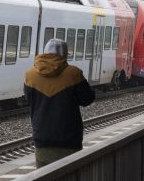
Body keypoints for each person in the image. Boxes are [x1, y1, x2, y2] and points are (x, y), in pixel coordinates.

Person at [24, 38, 95, 167]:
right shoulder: (74, 74)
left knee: (44, 177)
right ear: (64, 54)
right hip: (69, 140)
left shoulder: (30, 76)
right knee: (70, 176)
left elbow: (29, 100)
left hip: (42, 139)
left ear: (45, 52)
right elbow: (87, 99)